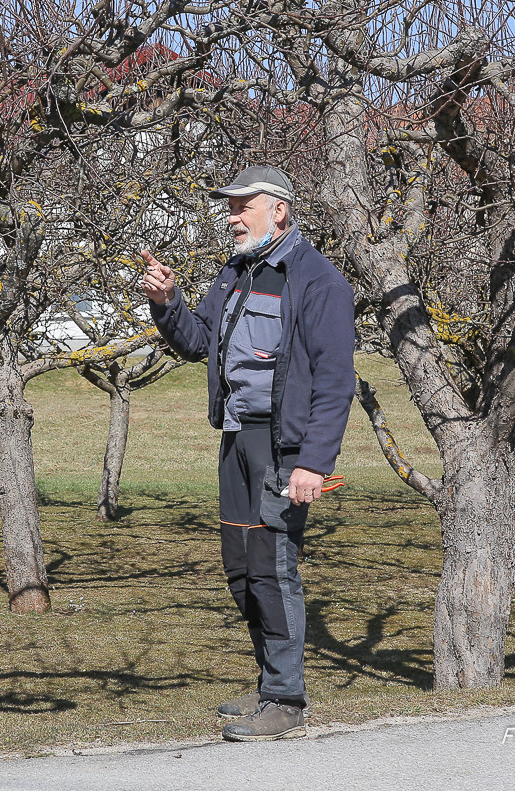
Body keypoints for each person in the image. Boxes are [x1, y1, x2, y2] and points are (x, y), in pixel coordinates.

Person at [140, 165, 355, 741]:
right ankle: (269, 684)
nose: (232, 217)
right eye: (230, 207)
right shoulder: (235, 272)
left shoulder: (318, 282)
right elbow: (196, 342)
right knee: (240, 569)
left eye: (243, 206)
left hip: (283, 448)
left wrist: (314, 461)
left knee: (273, 566)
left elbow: (337, 382)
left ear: (278, 210)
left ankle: (286, 699)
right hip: (236, 440)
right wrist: (167, 303)